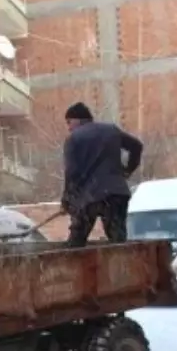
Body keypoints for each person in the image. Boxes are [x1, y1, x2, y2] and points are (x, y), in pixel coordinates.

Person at [61, 101, 143, 247]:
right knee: (118, 240)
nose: (68, 128)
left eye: (69, 122)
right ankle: (122, 266)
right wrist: (127, 170)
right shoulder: (111, 130)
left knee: (76, 241)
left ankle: (71, 266)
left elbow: (71, 173)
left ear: (78, 120)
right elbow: (137, 146)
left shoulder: (73, 139)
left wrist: (66, 200)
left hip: (89, 197)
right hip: (116, 194)